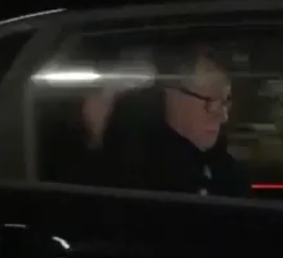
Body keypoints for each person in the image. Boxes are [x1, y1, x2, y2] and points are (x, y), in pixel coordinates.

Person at [97, 42, 250, 197]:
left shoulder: (224, 170)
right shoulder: (143, 177)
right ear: (171, 95)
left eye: (225, 102)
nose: (223, 117)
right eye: (211, 102)